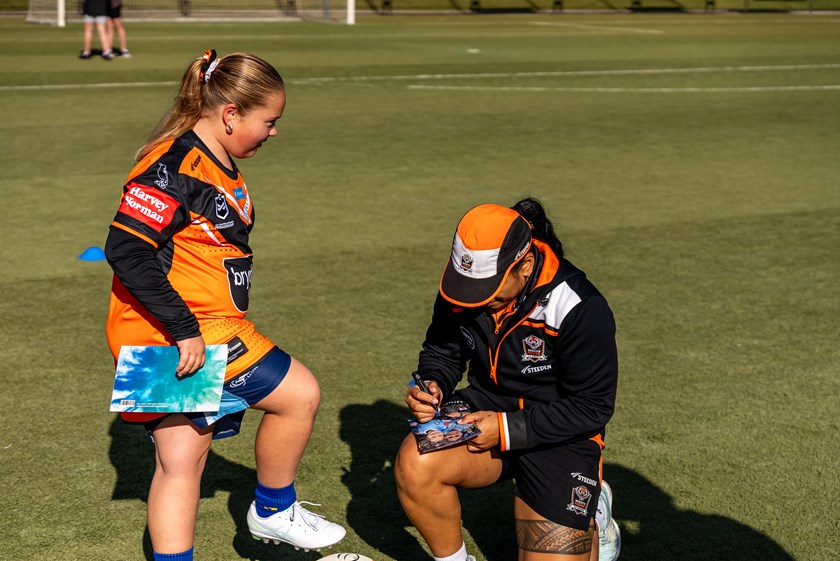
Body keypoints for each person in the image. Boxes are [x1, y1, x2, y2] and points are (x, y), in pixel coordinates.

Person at [104, 49, 345, 561]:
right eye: (269, 121)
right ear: (231, 113)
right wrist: (183, 327)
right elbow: (126, 249)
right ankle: (274, 511)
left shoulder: (213, 158)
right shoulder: (173, 165)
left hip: (172, 331)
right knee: (298, 395)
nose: (274, 132)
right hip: (185, 333)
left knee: (181, 462)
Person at [395, 199, 622, 561]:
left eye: (489, 289)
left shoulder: (580, 306)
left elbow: (592, 408)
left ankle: (593, 514)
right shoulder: (466, 286)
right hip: (487, 407)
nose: (477, 300)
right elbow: (443, 350)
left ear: (525, 264)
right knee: (416, 463)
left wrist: (505, 429)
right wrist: (433, 381)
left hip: (560, 433)